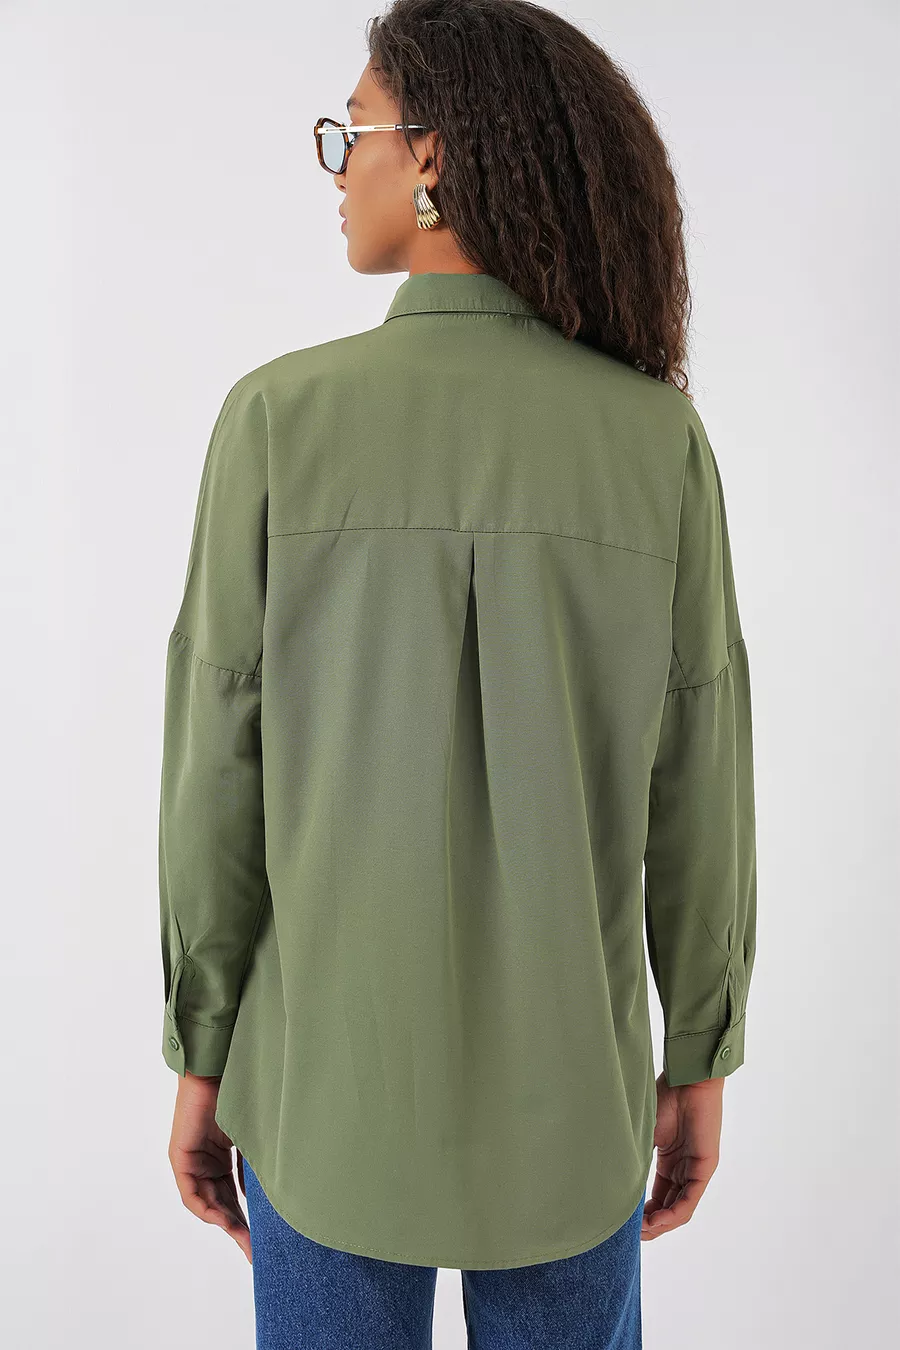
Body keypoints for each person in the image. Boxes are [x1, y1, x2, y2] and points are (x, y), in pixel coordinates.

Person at [157, 1, 757, 1345]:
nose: (339, 168)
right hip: (574, 1106)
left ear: (431, 156)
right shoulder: (657, 442)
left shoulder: (276, 421)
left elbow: (214, 779)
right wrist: (698, 1054)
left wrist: (203, 1048)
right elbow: (702, 788)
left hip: (319, 1098)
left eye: (354, 133)